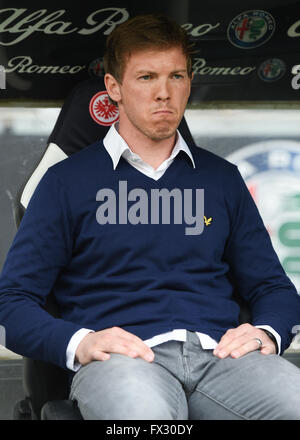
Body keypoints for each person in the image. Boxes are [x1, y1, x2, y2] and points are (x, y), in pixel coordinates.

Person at [1, 14, 300, 420]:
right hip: (124, 362)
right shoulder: (65, 182)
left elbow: (273, 287)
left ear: (189, 83)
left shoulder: (222, 179)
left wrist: (266, 331)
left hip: (221, 356)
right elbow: (13, 301)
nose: (164, 93)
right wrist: (80, 342)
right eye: (146, 77)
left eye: (176, 76)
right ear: (114, 88)